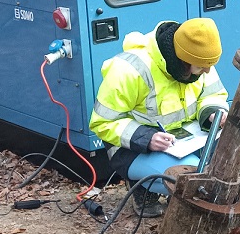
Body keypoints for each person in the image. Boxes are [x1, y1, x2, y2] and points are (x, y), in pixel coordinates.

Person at [90, 19, 228, 214]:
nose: (207, 71)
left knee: (217, 171)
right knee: (190, 181)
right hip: (133, 148)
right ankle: (141, 187)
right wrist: (146, 138)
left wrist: (212, 112)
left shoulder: (200, 59)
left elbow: (213, 94)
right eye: (201, 67)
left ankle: (177, 197)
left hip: (185, 141)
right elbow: (102, 122)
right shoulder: (129, 70)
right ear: (182, 60)